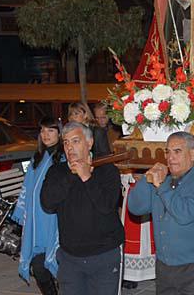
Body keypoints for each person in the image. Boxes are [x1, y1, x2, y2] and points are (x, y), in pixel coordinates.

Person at [128, 131, 194, 295]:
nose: (170, 157)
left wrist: (161, 186)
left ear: (193, 154)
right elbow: (135, 207)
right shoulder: (163, 181)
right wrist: (146, 180)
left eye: (177, 151)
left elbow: (184, 214)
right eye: (167, 151)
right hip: (164, 267)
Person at [40, 122, 124, 295]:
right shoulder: (57, 171)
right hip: (70, 258)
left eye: (76, 141)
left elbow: (107, 206)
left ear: (90, 143)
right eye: (66, 142)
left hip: (104, 256)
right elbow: (47, 204)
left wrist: (86, 176)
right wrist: (72, 176)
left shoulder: (107, 170)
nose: (70, 147)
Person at [12, 117, 62, 295]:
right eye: (42, 130)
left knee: (56, 264)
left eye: (50, 130)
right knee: (38, 267)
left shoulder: (62, 157)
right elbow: (29, 186)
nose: (45, 134)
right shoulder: (37, 157)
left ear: (59, 133)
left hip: (55, 220)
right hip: (36, 220)